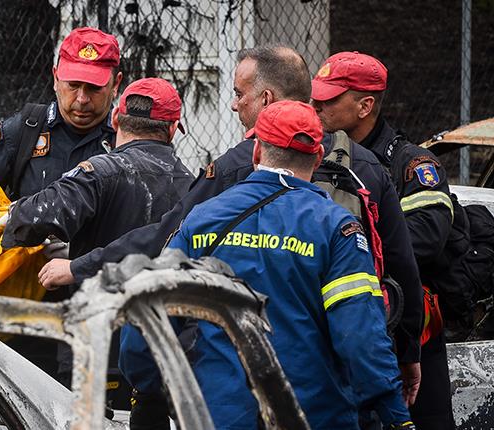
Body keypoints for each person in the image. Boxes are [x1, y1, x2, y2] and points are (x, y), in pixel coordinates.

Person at [51, 46, 424, 405]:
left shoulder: (236, 165)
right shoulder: (364, 165)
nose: (233, 103)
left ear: (265, 99)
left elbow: (167, 238)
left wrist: (79, 267)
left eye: (238, 93)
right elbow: (399, 261)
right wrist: (408, 352)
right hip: (342, 368)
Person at [159, 100, 412, 429]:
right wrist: (396, 415)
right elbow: (359, 336)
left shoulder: (203, 219)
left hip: (221, 414)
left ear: (257, 151)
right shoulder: (338, 227)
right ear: (319, 157)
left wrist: (146, 388)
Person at [0, 77, 192, 425]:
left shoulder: (101, 171)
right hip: (161, 350)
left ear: (115, 122)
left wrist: (13, 216)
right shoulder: (194, 187)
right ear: (173, 129)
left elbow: (46, 211)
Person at [311, 51, 459, 429]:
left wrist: (349, 245)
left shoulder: (412, 165)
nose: (316, 104)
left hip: (407, 331)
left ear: (365, 105)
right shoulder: (317, 159)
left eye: (328, 98)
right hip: (343, 331)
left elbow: (427, 236)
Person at [0, 27, 122, 239]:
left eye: (94, 88)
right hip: (26, 268)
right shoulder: (25, 130)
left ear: (116, 85)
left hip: (99, 267)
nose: (82, 99)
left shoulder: (126, 139)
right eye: (73, 85)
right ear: (55, 78)